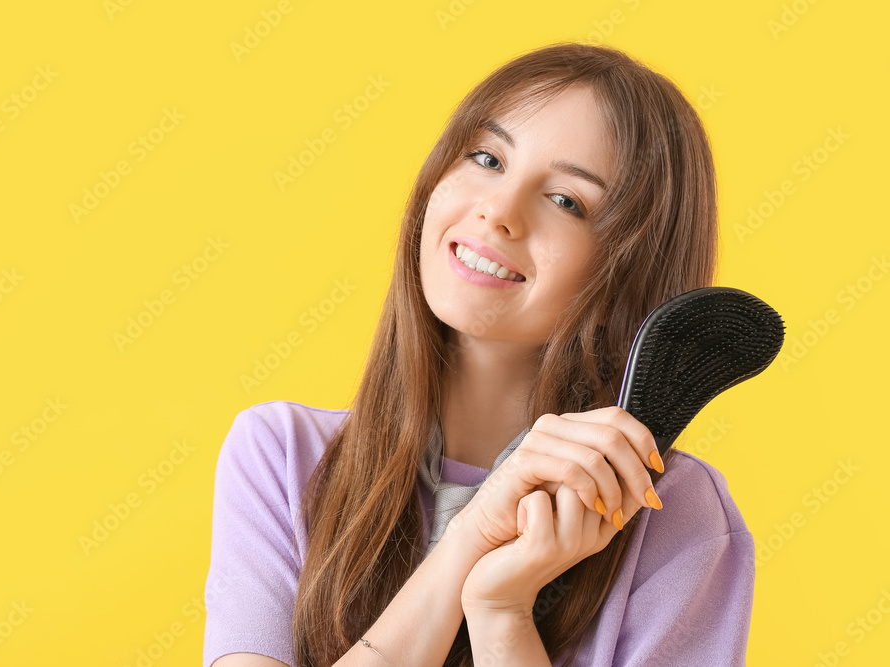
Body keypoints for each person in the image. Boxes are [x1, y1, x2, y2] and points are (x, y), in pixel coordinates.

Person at [203, 42, 755, 667]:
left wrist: (502, 614)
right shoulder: (282, 456)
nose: (499, 211)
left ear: (628, 274)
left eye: (566, 201)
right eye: (487, 158)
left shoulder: (674, 516)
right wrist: (471, 539)